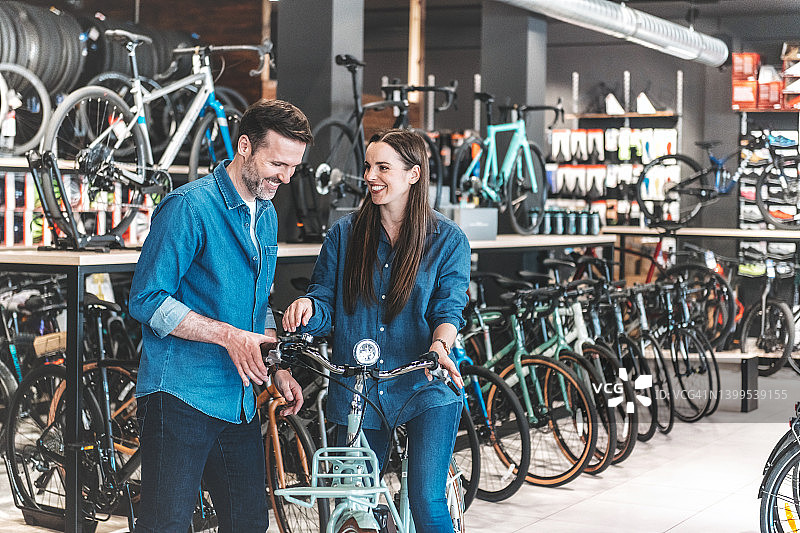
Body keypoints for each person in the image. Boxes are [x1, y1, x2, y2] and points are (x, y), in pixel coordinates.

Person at [128, 99, 313, 533]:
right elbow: (146, 299)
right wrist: (227, 336)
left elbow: (258, 306)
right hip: (179, 396)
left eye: (293, 167)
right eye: (277, 164)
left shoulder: (266, 216)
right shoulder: (189, 207)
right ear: (245, 146)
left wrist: (275, 367)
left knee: (249, 522)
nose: (285, 178)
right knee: (164, 525)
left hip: (239, 402)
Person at [283, 128, 470, 532]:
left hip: (424, 382)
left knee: (425, 500)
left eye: (383, 167)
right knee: (356, 503)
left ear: (414, 175)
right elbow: (325, 305)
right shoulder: (344, 235)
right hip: (360, 391)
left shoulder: (447, 240)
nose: (370, 175)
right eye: (368, 166)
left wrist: (440, 346)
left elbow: (448, 307)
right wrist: (307, 309)